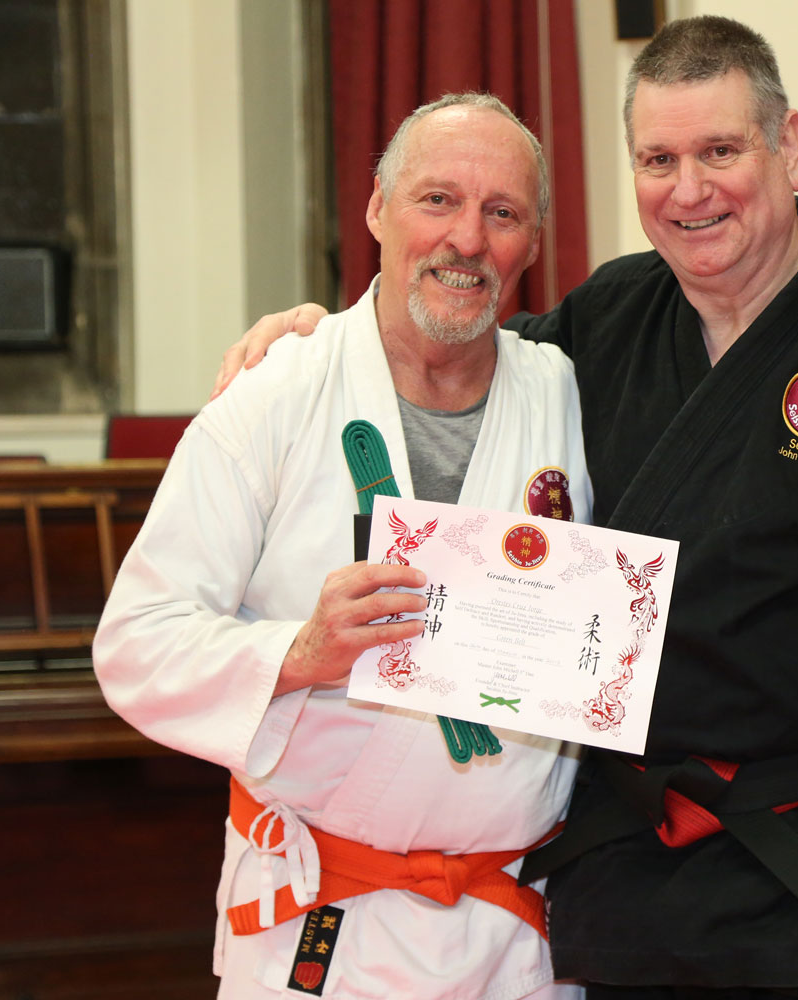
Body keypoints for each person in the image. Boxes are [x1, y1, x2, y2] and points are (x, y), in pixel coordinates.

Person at [214, 17, 798, 1000]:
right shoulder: (608, 319)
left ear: (788, 147)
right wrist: (324, 343)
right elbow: (448, 359)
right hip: (629, 879)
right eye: (658, 160)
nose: (688, 190)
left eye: (720, 151)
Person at [94, 93, 591, 1000]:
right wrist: (298, 652)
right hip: (324, 931)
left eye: (503, 213)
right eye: (437, 200)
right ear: (376, 209)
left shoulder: (567, 392)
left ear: (533, 241)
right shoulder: (277, 392)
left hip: (518, 939)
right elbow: (135, 642)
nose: (467, 239)